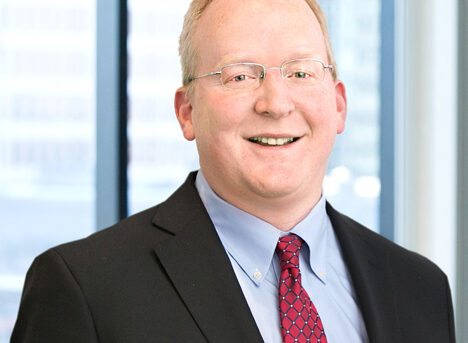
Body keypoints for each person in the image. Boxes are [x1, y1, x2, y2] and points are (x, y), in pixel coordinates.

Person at [11, 0, 455, 342]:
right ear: (187, 112)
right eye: (239, 76)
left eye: (301, 73)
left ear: (338, 103)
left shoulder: (420, 288)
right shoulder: (85, 289)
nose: (276, 104)